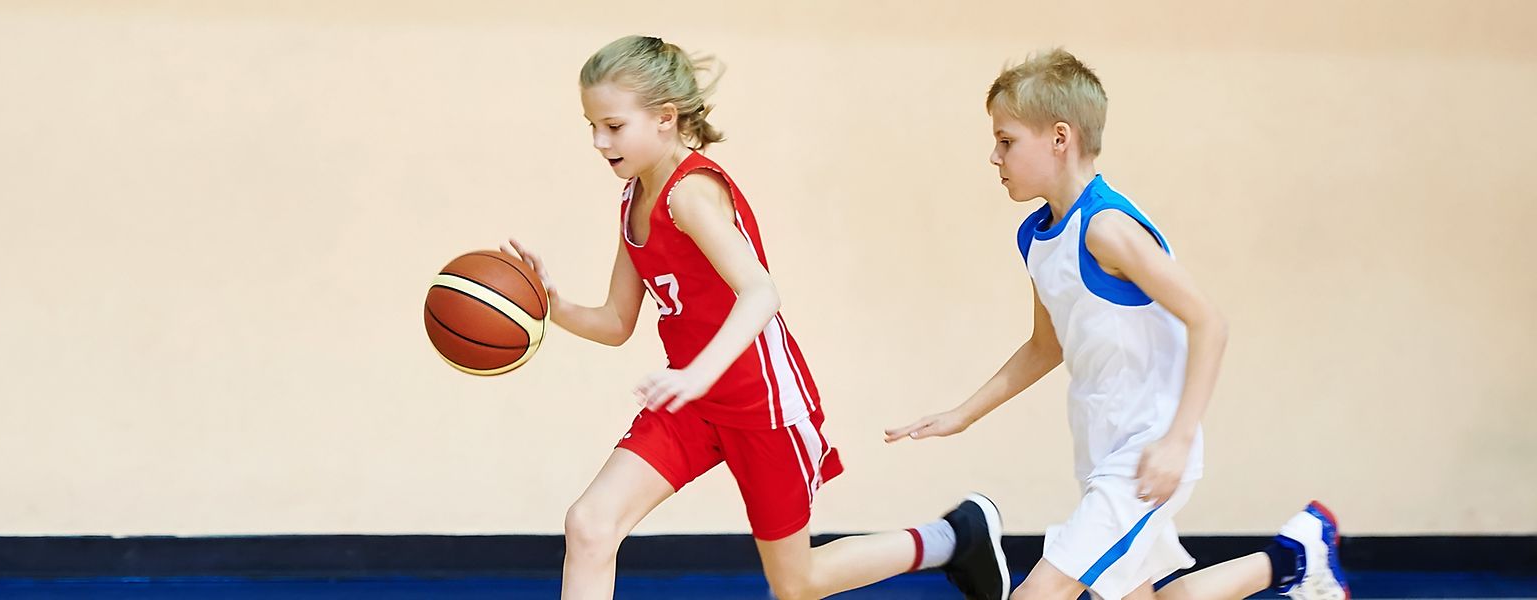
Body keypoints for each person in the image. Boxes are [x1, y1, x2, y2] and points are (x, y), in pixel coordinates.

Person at [505, 35, 1010, 600]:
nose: (599, 141)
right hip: (691, 403)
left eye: (614, 126)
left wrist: (696, 373)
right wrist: (551, 306)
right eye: (591, 125)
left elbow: (760, 293)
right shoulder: (632, 200)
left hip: (762, 403)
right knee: (590, 525)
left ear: (666, 118)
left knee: (797, 583)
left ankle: (953, 539)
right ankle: (954, 539)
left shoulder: (690, 194)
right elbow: (616, 322)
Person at [885, 48, 1349, 600]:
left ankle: (1294, 557)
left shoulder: (1106, 229)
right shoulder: (1035, 236)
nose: (994, 156)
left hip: (1145, 451)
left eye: (1006, 140)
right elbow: (1044, 346)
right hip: (1100, 449)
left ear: (1060, 138)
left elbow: (1209, 323)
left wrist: (1177, 439)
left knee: (1042, 593)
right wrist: (961, 415)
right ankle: (1292, 557)